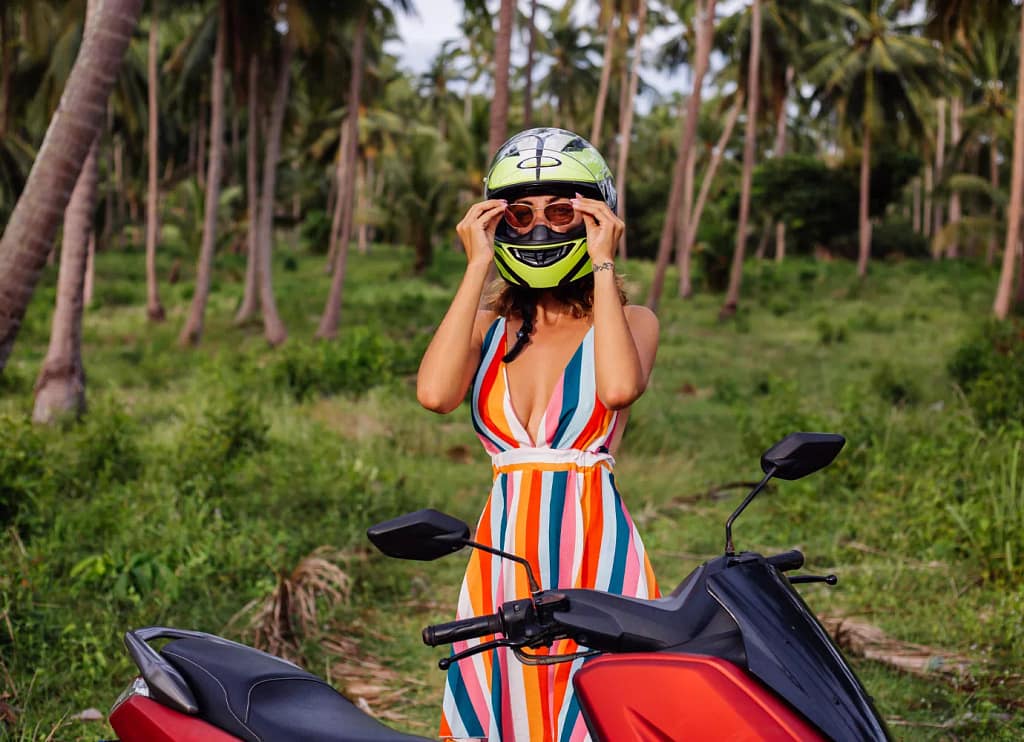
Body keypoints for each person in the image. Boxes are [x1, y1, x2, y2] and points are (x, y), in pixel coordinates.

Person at [416, 128, 660, 742]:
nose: (539, 227)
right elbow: (435, 395)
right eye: (519, 214)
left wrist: (603, 262)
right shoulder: (488, 328)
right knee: (504, 713)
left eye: (561, 210)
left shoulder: (632, 321)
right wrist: (477, 263)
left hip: (596, 551)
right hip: (502, 555)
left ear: (592, 214)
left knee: (599, 711)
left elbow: (619, 388)